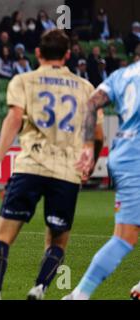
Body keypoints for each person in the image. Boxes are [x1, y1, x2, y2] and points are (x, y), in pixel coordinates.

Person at [0, 29, 102, 300]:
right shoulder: (86, 89)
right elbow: (97, 134)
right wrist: (89, 162)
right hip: (67, 172)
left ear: (38, 53)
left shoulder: (24, 80)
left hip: (30, 166)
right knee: (57, 241)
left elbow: (14, 118)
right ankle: (39, 288)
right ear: (68, 55)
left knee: (3, 234)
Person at [62, 53, 140, 300]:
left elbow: (90, 103)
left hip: (125, 155)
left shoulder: (122, 75)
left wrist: (87, 146)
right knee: (124, 236)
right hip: (137, 157)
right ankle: (79, 295)